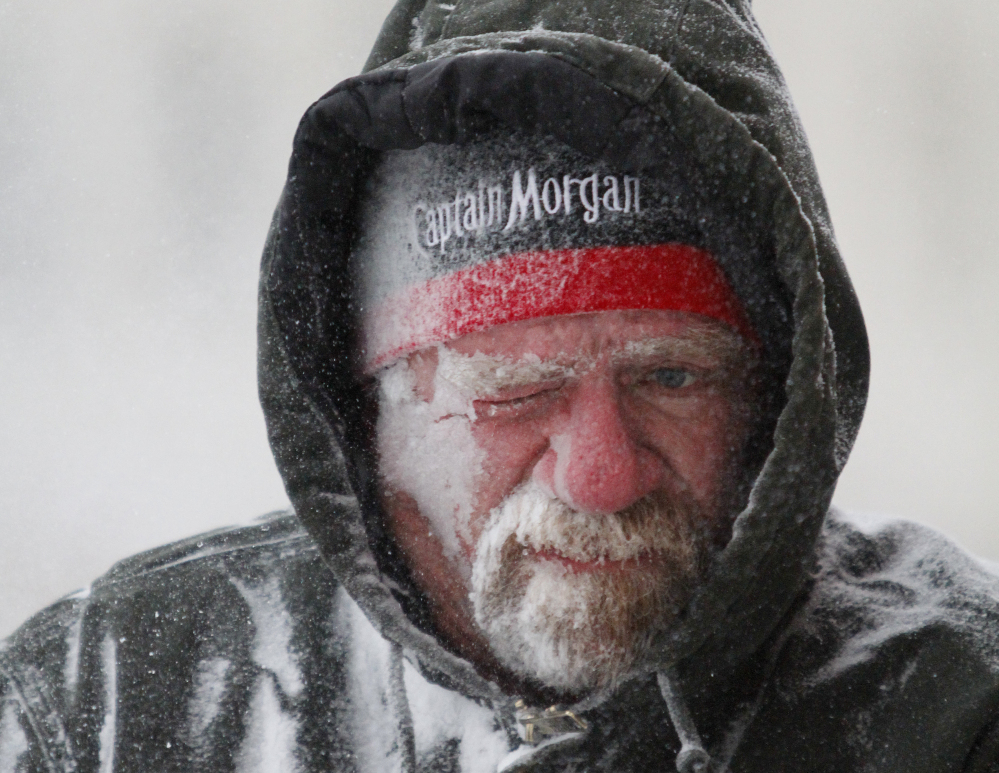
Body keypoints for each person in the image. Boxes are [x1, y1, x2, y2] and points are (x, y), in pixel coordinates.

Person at [2, 1, 998, 771]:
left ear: (778, 397)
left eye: (672, 375)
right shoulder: (107, 703)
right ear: (377, 406)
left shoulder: (953, 704)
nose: (600, 475)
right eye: (513, 390)